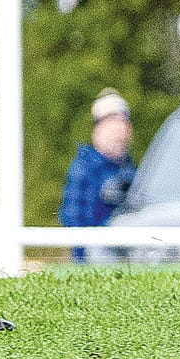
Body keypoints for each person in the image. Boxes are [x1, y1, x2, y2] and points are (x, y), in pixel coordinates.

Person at [60, 88, 138, 260]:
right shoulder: (84, 169)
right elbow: (74, 218)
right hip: (95, 258)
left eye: (123, 122)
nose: (120, 129)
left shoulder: (131, 170)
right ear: (97, 130)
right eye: (112, 122)